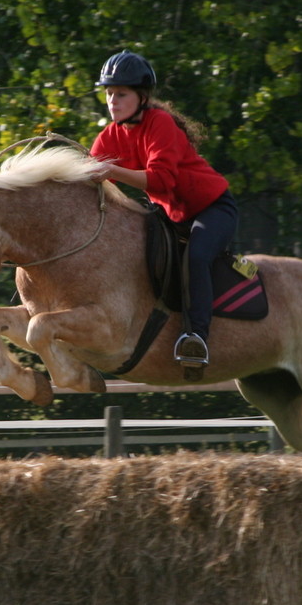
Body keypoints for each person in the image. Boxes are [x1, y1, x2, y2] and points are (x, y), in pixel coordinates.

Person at [89, 50, 239, 369]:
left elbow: (160, 180)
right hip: (171, 217)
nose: (112, 101)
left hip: (212, 210)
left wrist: (111, 172)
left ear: (142, 97)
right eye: (109, 93)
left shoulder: (161, 123)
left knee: (196, 257)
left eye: (121, 94)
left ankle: (196, 338)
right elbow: (89, 176)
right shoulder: (109, 135)